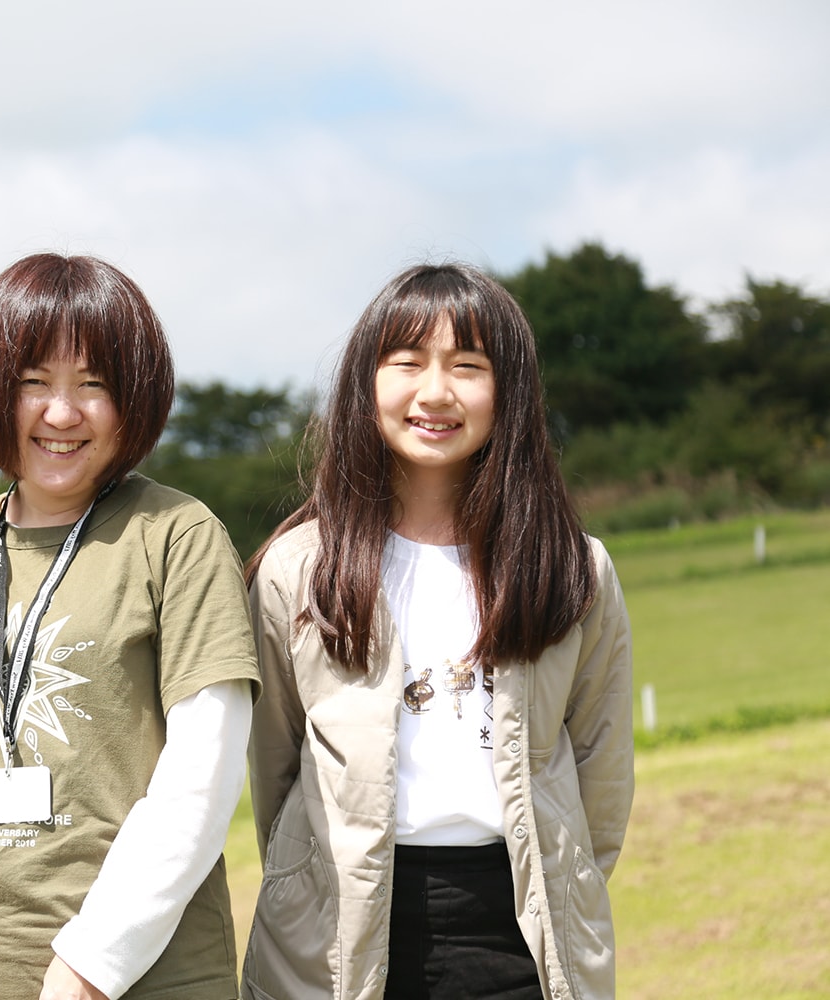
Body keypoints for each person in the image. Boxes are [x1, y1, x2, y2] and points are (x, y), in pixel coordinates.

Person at [0, 253, 260, 1000]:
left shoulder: (177, 535)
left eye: (93, 384)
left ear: (134, 397)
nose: (62, 413)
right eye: (32, 383)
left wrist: (91, 967)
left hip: (138, 980)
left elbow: (202, 779)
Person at [240, 263, 633, 1000]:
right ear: (366, 383)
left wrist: (569, 883)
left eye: (468, 366)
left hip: (521, 929)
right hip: (339, 932)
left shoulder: (571, 566)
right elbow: (275, 765)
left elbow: (600, 766)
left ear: (509, 391)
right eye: (407, 362)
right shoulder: (299, 569)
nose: (435, 392)